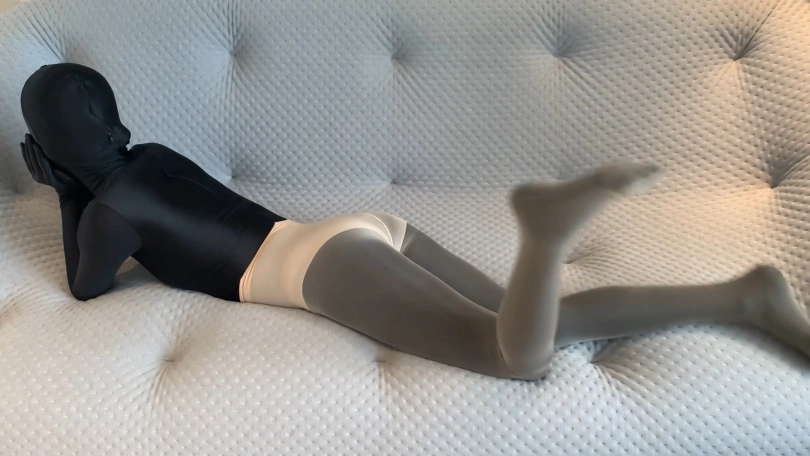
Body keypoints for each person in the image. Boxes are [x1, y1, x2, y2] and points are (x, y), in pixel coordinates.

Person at [19, 63, 810, 380]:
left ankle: (543, 234)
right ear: (114, 121)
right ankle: (743, 298)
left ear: (50, 148)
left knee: (515, 359)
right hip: (355, 230)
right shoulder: (154, 154)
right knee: (544, 321)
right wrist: (79, 176)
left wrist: (63, 189)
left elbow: (86, 288)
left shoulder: (106, 216)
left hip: (323, 272)